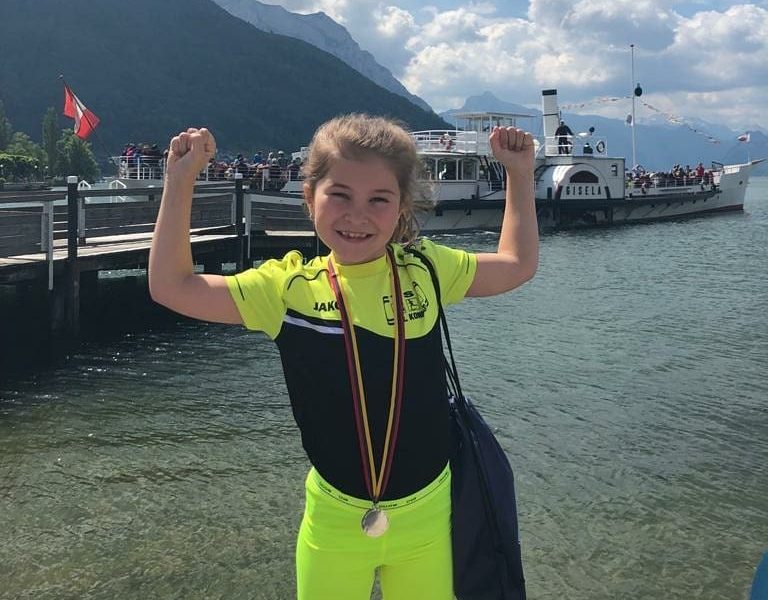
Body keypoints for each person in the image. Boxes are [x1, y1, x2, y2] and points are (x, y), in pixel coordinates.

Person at [148, 114, 538, 600]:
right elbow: (171, 286)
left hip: (430, 515)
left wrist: (519, 174)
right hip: (334, 521)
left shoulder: (425, 269)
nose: (358, 215)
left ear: (402, 207)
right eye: (340, 195)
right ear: (309, 196)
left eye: (379, 199)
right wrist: (179, 179)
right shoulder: (287, 289)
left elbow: (517, 264)